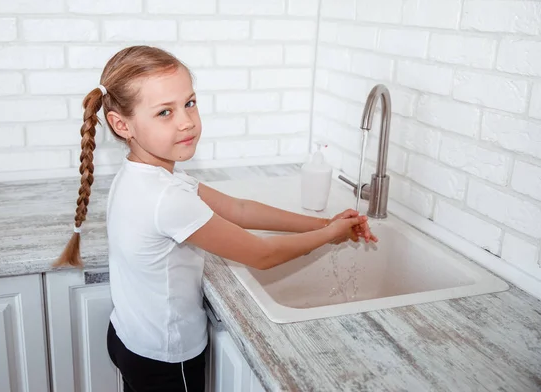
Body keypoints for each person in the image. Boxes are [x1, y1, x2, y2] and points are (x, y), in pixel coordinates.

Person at [55, 46, 377, 392]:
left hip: (127, 337)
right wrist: (330, 236)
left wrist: (323, 225)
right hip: (166, 359)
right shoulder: (166, 197)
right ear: (122, 125)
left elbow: (238, 209)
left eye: (189, 103)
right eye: (165, 112)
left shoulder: (146, 175)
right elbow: (261, 255)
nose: (186, 121)